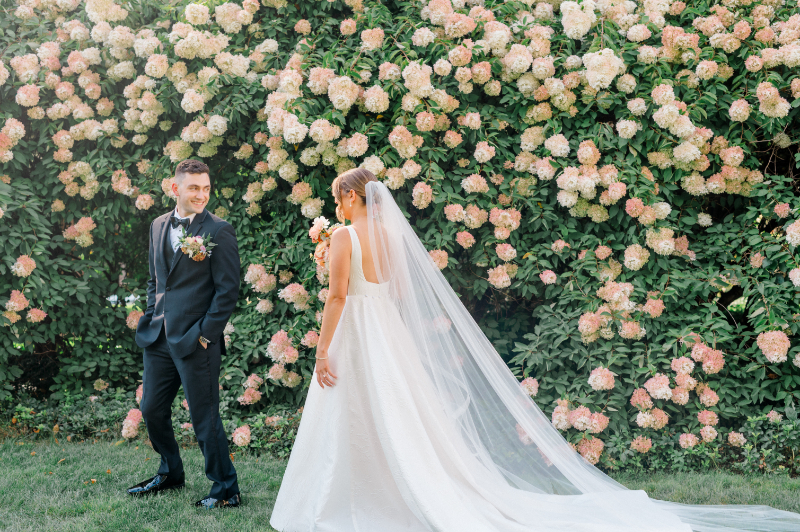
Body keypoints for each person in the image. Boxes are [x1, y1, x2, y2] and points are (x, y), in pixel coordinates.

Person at [130, 159, 242, 509]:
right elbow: (155, 280)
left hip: (196, 340)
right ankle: (170, 473)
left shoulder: (219, 230)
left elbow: (228, 291)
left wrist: (206, 334)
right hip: (159, 337)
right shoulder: (158, 225)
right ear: (175, 188)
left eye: (206, 188)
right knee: (151, 409)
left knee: (204, 418)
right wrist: (152, 315)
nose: (201, 195)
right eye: (194, 188)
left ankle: (226, 490)